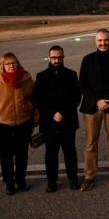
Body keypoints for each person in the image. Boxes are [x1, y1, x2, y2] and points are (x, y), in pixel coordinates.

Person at [79, 29, 109, 191]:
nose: (103, 43)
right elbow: (83, 84)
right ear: (96, 41)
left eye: (106, 40)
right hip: (92, 107)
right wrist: (96, 101)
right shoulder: (87, 60)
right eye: (100, 40)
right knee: (91, 143)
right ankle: (89, 176)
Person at [0, 53, 36, 195]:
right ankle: (9, 183)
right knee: (5, 155)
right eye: (8, 64)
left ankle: (21, 180)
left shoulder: (27, 80)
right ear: (2, 66)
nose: (11, 66)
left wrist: (35, 115)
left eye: (14, 63)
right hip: (2, 124)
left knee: (22, 154)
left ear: (18, 63)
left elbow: (36, 98)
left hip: (23, 123)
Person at [32, 46, 81, 193]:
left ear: (63, 57)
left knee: (70, 151)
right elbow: (38, 99)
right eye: (54, 57)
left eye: (59, 57)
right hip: (49, 122)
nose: (56, 60)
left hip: (67, 121)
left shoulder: (72, 75)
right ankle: (51, 181)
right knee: (51, 153)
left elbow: (76, 97)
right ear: (49, 58)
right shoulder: (41, 77)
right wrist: (53, 113)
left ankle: (73, 179)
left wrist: (63, 113)